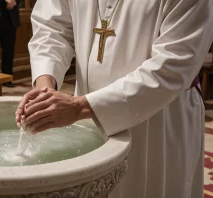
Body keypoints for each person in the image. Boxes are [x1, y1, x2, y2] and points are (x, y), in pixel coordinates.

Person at [15, 1, 213, 198]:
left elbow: (174, 65)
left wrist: (80, 107)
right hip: (83, 108)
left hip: (160, 116)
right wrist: (45, 85)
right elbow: (52, 28)